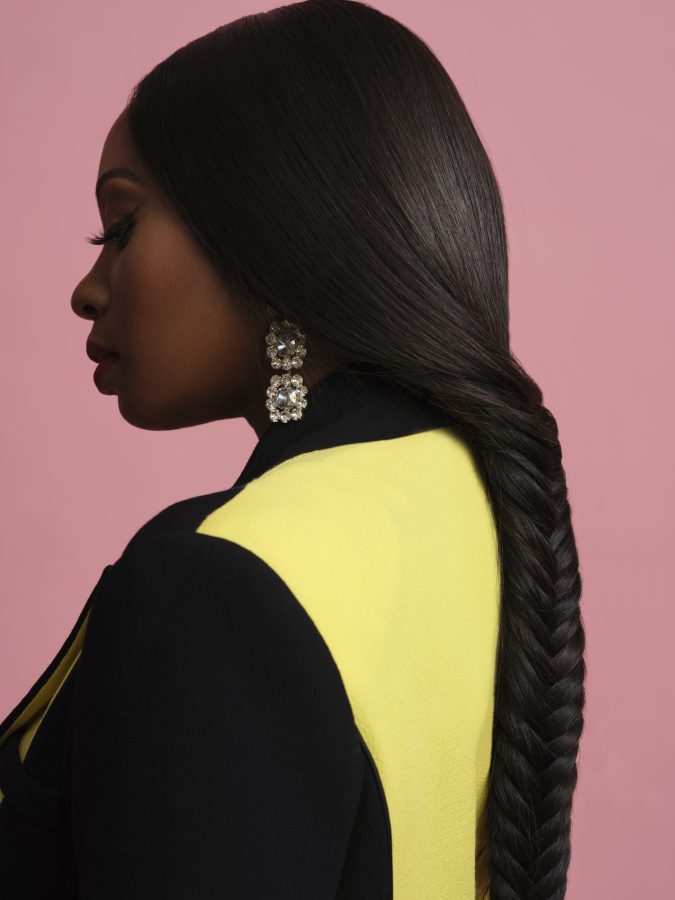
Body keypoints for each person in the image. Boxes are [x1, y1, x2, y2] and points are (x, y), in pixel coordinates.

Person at [0, 1, 586, 898]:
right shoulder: (477, 497)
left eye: (120, 228)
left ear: (274, 232)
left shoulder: (215, 590)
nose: (88, 288)